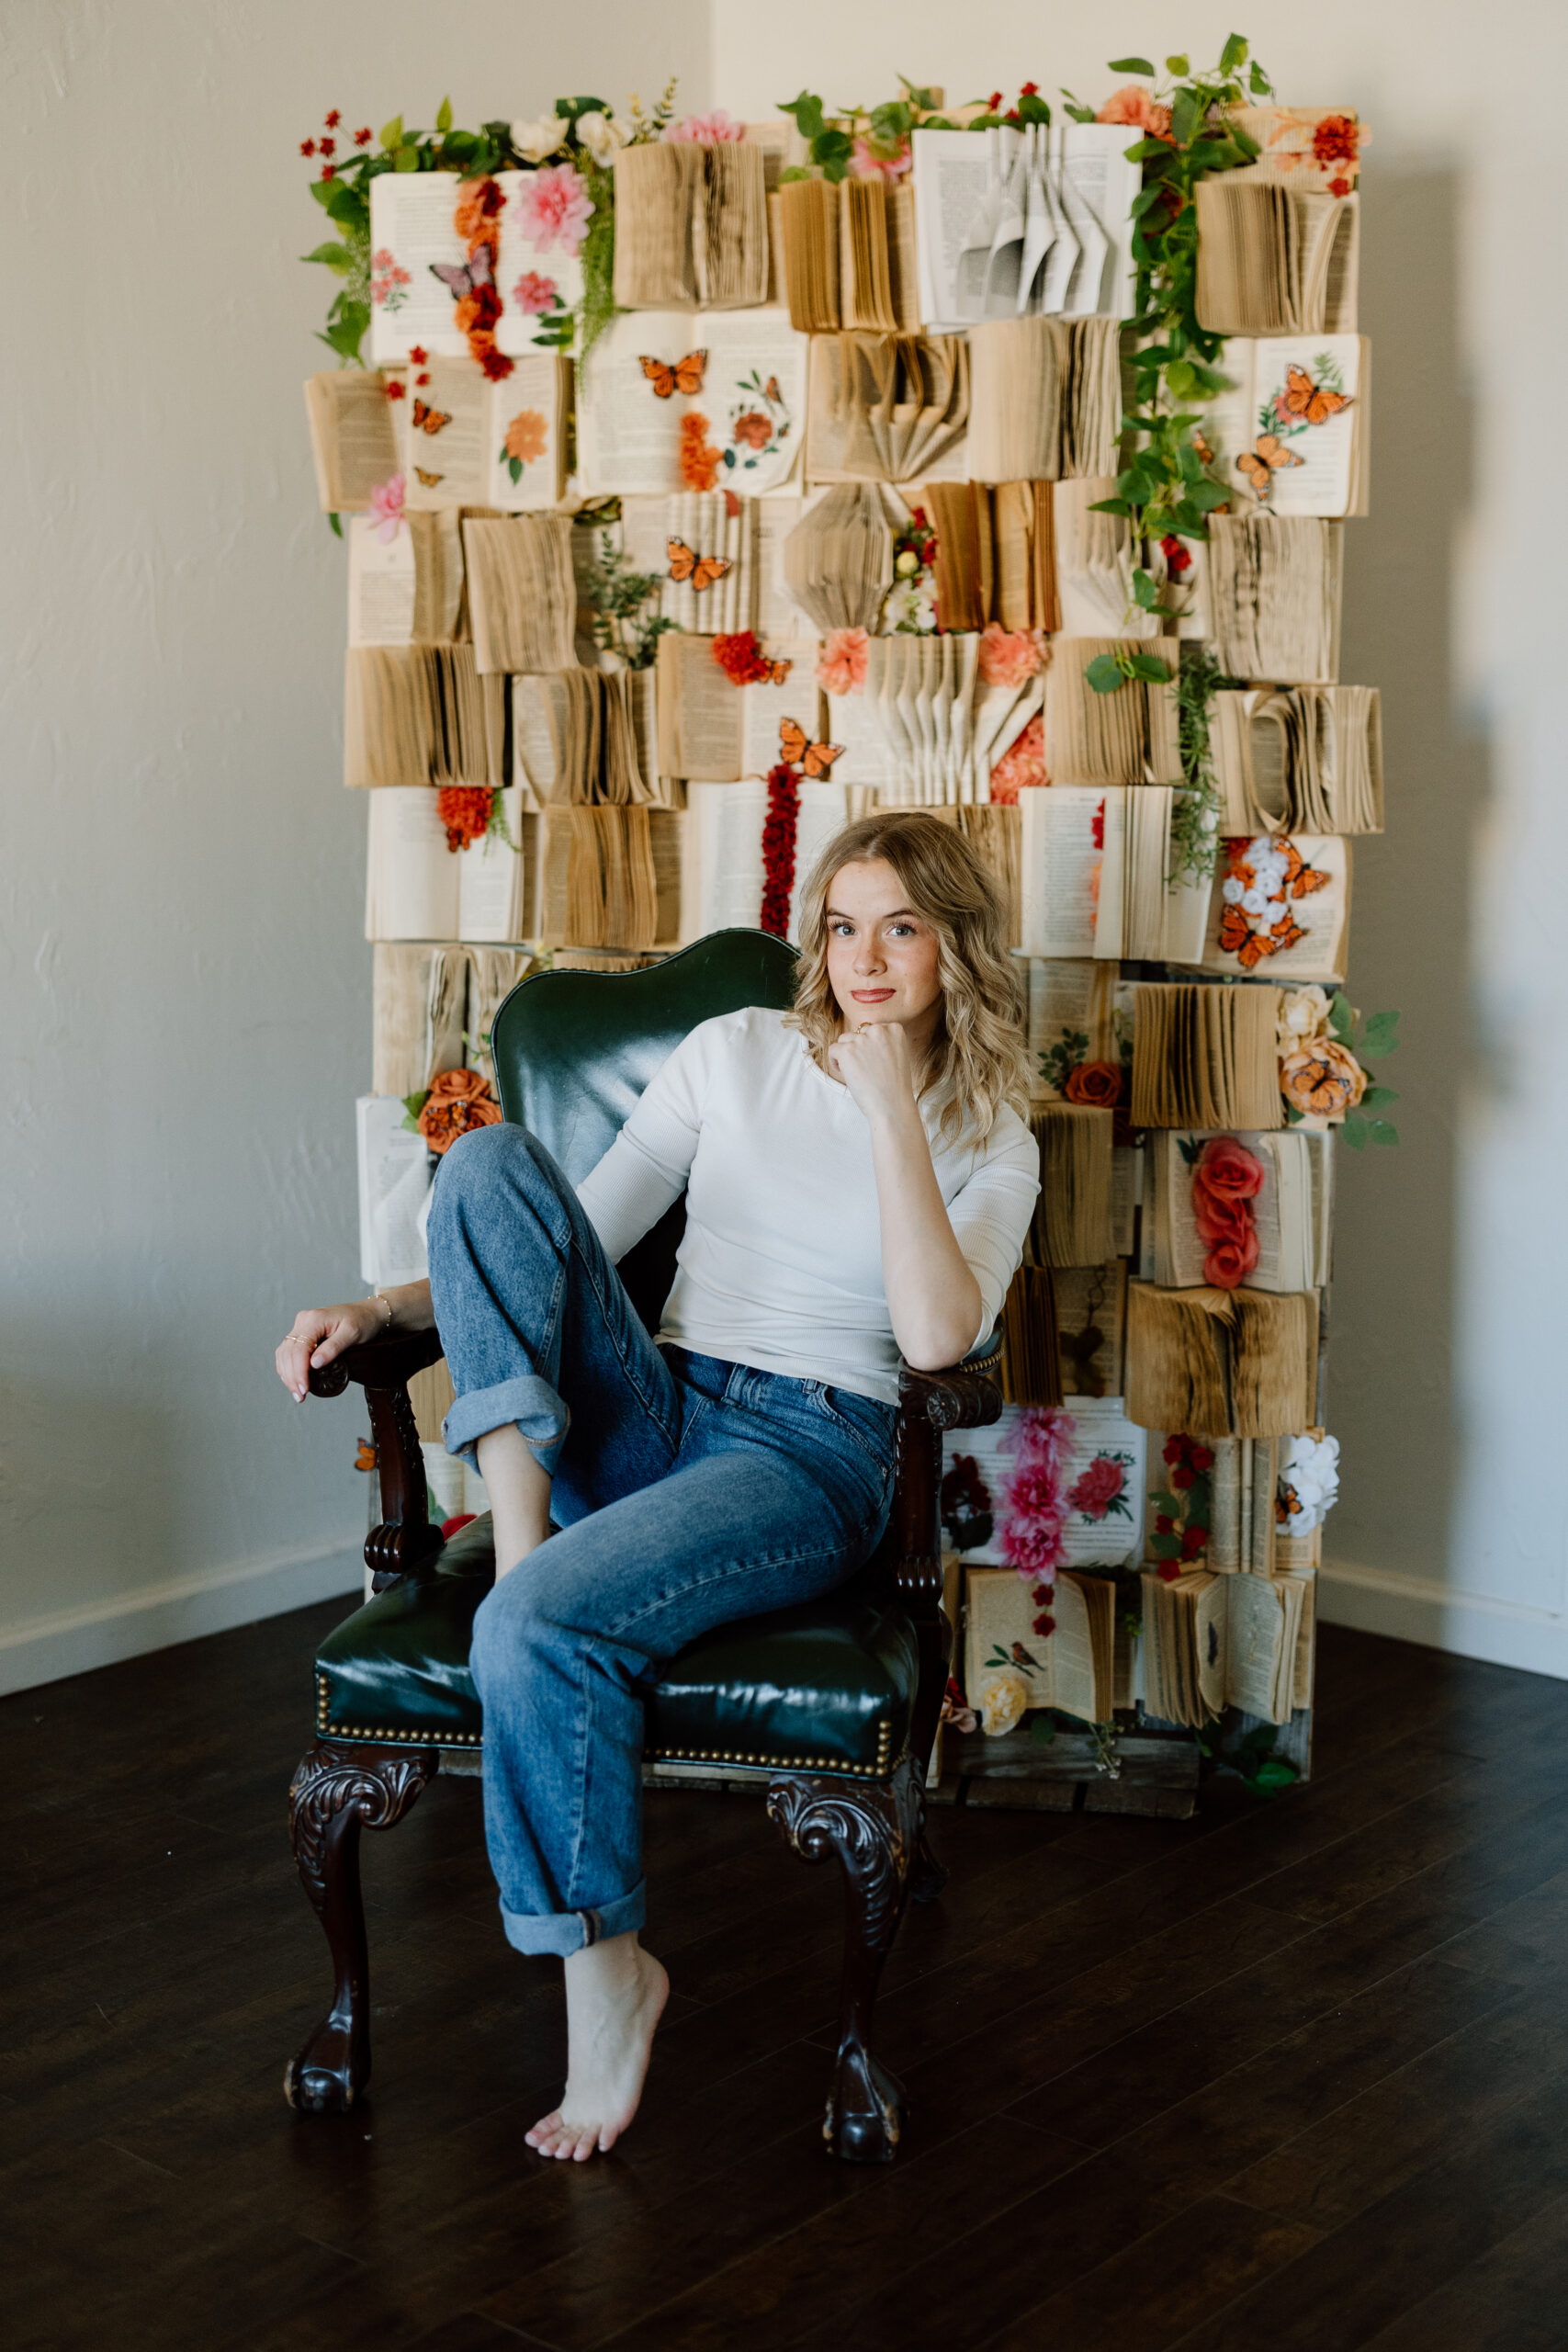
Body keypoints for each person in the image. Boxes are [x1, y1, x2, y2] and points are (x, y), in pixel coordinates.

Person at [275, 810, 1039, 2163]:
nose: (865, 958)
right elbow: (575, 1228)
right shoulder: (735, 1051)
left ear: (954, 948)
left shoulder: (993, 1134)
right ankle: (524, 1536)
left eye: (903, 927)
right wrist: (382, 1302)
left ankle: (606, 1977)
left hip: (813, 1452)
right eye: (845, 924)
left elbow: (933, 1341)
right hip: (661, 1404)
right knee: (487, 1161)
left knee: (531, 1632)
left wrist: (885, 1111)